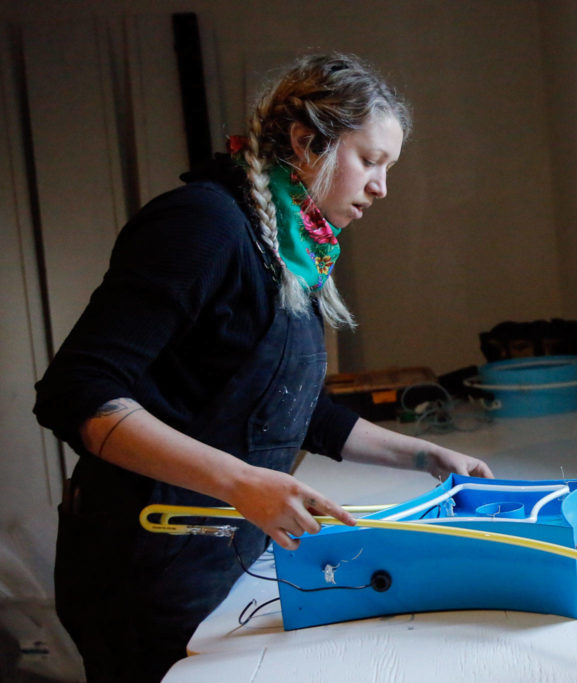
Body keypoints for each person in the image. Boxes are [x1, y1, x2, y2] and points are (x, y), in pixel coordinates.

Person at [33, 53, 492, 682]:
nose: (382, 187)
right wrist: (241, 483)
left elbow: (295, 410)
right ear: (307, 143)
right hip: (141, 570)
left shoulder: (287, 246)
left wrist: (423, 457)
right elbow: (76, 392)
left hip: (222, 555)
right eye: (371, 161)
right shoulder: (203, 225)